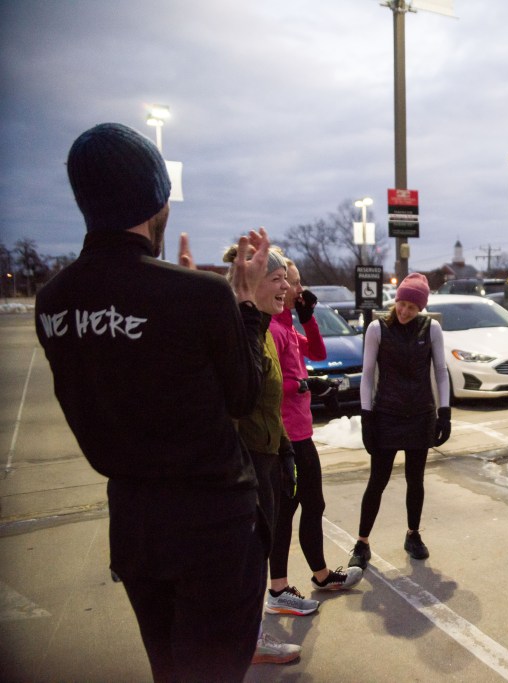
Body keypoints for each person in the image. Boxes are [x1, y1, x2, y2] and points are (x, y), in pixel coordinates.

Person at [35, 122, 268, 682]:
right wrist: (244, 305)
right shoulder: (201, 295)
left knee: (168, 669)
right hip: (213, 525)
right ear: (157, 201)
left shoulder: (53, 299)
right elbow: (242, 396)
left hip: (134, 525)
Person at [221, 242, 309, 664]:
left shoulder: (264, 330)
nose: (286, 287)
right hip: (248, 462)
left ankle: (250, 633)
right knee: (249, 555)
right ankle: (249, 639)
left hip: (269, 454)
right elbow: (239, 402)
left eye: (286, 280)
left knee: (260, 549)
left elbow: (270, 404)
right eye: (277, 279)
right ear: (251, 283)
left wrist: (286, 450)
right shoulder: (240, 334)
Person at [268, 260, 363, 598]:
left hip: (301, 433)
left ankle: (321, 575)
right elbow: (270, 385)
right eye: (291, 282)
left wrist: (307, 319)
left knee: (313, 505)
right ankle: (279, 588)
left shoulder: (286, 328)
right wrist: (307, 385)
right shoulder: (272, 330)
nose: (297, 289)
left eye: (294, 281)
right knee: (286, 512)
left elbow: (319, 352)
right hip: (286, 437)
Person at [349, 272, 451, 568]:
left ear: (421, 308)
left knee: (415, 480)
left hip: (420, 414)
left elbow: (441, 372)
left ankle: (413, 534)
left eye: (413, 307)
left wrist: (444, 412)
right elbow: (368, 375)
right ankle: (362, 542)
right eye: (402, 304)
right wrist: (366, 416)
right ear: (396, 301)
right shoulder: (377, 328)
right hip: (387, 414)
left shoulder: (431, 328)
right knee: (377, 481)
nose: (405, 311)